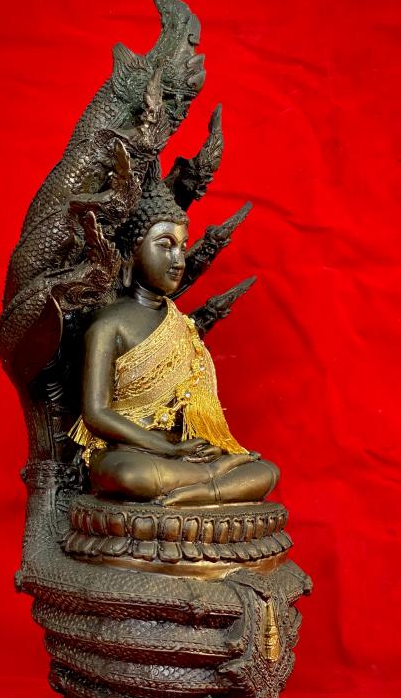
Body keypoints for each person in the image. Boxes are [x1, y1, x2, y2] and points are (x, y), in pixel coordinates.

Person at [69, 183, 279, 505]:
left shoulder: (181, 325)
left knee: (265, 471)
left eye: (182, 247)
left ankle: (200, 487)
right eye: (165, 246)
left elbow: (190, 413)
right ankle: (212, 480)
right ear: (131, 253)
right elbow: (96, 413)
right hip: (127, 452)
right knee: (131, 476)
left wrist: (196, 447)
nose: (178, 260)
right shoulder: (109, 324)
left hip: (180, 454)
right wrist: (167, 449)